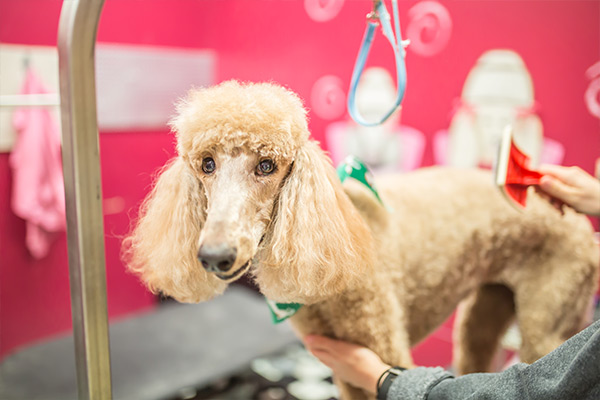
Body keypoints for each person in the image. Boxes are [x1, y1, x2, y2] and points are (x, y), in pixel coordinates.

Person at [304, 164, 600, 399]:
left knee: (544, 357)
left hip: (553, 238)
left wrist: (382, 378)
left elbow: (546, 390)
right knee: (476, 340)